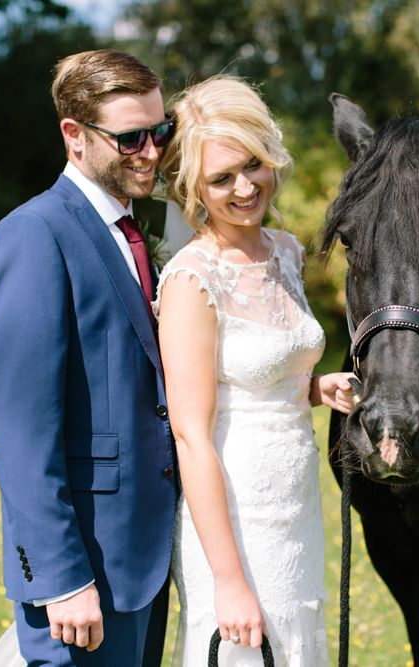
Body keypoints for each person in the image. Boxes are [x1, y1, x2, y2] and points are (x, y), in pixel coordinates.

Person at [0, 49, 185, 666]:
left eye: (160, 130)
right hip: (84, 570)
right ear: (74, 136)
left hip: (142, 558)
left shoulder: (131, 232)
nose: (152, 150)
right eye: (130, 138)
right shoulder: (34, 235)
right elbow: (20, 429)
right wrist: (61, 578)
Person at [154, 75, 354, 665]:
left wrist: (316, 388)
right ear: (191, 187)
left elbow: (259, 378)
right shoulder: (192, 280)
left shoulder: (286, 251)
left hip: (295, 504)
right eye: (221, 178)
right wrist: (228, 580)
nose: (245, 187)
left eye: (254, 165)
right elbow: (191, 436)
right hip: (233, 518)